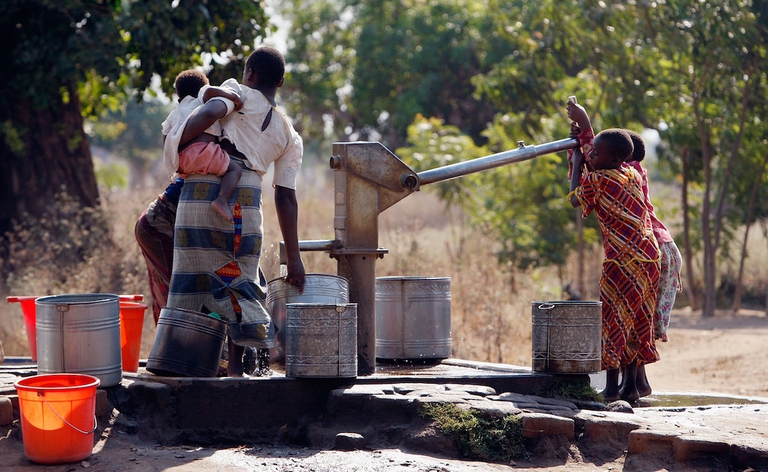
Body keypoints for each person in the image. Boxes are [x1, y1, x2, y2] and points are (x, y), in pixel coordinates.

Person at [168, 46, 306, 377]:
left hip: (200, 195)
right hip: (245, 206)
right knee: (238, 279)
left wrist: (176, 143)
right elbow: (286, 197)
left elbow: (209, 112)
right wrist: (295, 257)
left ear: (250, 74)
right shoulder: (290, 136)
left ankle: (184, 361)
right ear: (282, 82)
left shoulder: (236, 91)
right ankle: (235, 369)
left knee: (191, 279)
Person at [566, 99, 661, 402]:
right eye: (590, 151)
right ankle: (632, 387)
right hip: (650, 257)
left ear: (613, 158)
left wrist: (578, 163)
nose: (591, 155)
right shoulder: (632, 174)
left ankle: (609, 388)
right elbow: (605, 152)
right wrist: (585, 132)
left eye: (595, 153)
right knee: (638, 319)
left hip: (622, 262)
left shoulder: (597, 179)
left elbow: (573, 198)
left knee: (613, 321)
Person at [622, 130, 683, 397]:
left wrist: (582, 135)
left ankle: (630, 384)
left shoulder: (627, 172)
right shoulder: (638, 172)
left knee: (633, 317)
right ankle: (638, 382)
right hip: (665, 246)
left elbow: (590, 163)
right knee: (640, 318)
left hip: (653, 251)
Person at [162, 69, 244, 222]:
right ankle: (221, 200)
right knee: (235, 169)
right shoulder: (202, 100)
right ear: (200, 90)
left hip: (181, 160)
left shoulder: (174, 113)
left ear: (179, 98)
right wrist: (234, 97)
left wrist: (173, 157)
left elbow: (165, 135)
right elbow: (210, 91)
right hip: (202, 152)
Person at [135, 177, 184, 324]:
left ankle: (166, 338)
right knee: (177, 289)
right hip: (156, 226)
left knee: (165, 287)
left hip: (150, 223)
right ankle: (170, 338)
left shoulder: (208, 164)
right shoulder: (214, 167)